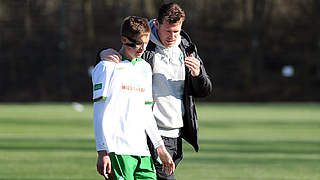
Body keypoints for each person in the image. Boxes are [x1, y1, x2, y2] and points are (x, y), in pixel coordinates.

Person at [97, 3, 213, 180]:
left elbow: (205, 90)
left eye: (177, 31)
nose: (173, 36)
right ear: (157, 25)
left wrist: (198, 76)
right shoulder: (144, 47)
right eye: (168, 31)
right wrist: (102, 53)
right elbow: (118, 59)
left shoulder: (187, 48)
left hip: (176, 133)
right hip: (147, 133)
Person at [92, 16, 175, 180]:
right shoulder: (106, 67)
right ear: (124, 39)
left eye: (145, 43)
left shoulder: (144, 68)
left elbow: (146, 112)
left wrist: (160, 147)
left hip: (142, 151)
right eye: (138, 43)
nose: (142, 49)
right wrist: (102, 151)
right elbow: (99, 111)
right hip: (117, 150)